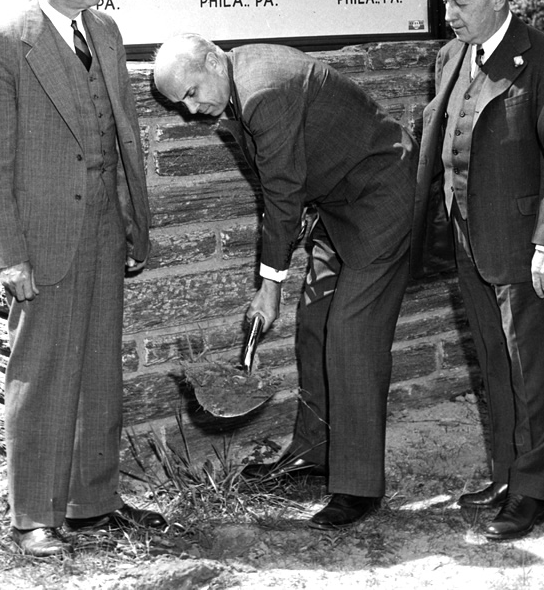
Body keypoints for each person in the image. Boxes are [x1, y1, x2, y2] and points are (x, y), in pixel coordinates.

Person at [153, 33, 417, 530]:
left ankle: (357, 487)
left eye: (190, 92)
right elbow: (287, 177)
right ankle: (314, 453)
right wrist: (283, 257)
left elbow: (281, 192)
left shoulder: (263, 92)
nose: (190, 109)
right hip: (335, 202)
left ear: (213, 59)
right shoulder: (231, 91)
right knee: (315, 324)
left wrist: (269, 283)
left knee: (351, 335)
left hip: (381, 195)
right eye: (179, 103)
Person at [0, 0, 166, 557]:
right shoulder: (3, 44)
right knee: (42, 373)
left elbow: (122, 134)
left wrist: (136, 222)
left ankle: (93, 504)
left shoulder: (104, 32)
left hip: (106, 226)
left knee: (101, 365)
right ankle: (33, 519)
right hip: (45, 237)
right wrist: (8, 254)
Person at [412, 0, 544, 542]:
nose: (450, 13)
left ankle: (535, 490)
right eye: (446, 2)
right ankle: (506, 472)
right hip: (467, 238)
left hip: (525, 243)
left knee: (534, 369)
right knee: (494, 363)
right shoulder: (451, 54)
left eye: (462, 3)